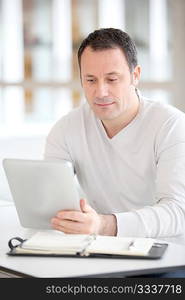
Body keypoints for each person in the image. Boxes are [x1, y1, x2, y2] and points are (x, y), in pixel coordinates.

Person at [44, 28, 185, 240]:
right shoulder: (66, 129)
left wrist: (103, 225)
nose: (100, 92)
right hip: (101, 250)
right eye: (90, 80)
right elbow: (49, 200)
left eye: (112, 79)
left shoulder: (171, 126)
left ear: (135, 76)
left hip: (166, 255)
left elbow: (178, 212)